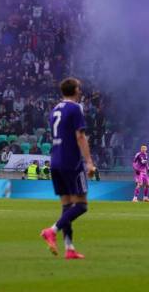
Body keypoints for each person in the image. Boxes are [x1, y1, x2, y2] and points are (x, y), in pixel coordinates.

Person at [40, 77, 95, 260]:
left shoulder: (55, 109)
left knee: (67, 206)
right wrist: (88, 162)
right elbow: (80, 136)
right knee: (81, 205)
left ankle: (69, 248)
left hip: (55, 160)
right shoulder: (75, 108)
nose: (81, 91)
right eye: (79, 88)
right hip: (71, 161)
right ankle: (52, 230)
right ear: (75, 90)